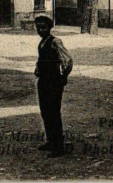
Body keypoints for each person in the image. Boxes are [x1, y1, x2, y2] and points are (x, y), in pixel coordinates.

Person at [33, 15, 73, 157]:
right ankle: (51, 141)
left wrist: (63, 76)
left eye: (43, 28)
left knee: (53, 112)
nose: (40, 30)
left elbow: (67, 60)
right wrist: (38, 70)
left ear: (50, 28)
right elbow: (41, 60)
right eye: (38, 28)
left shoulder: (55, 42)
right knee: (45, 112)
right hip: (43, 81)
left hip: (53, 82)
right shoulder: (42, 42)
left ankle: (58, 146)